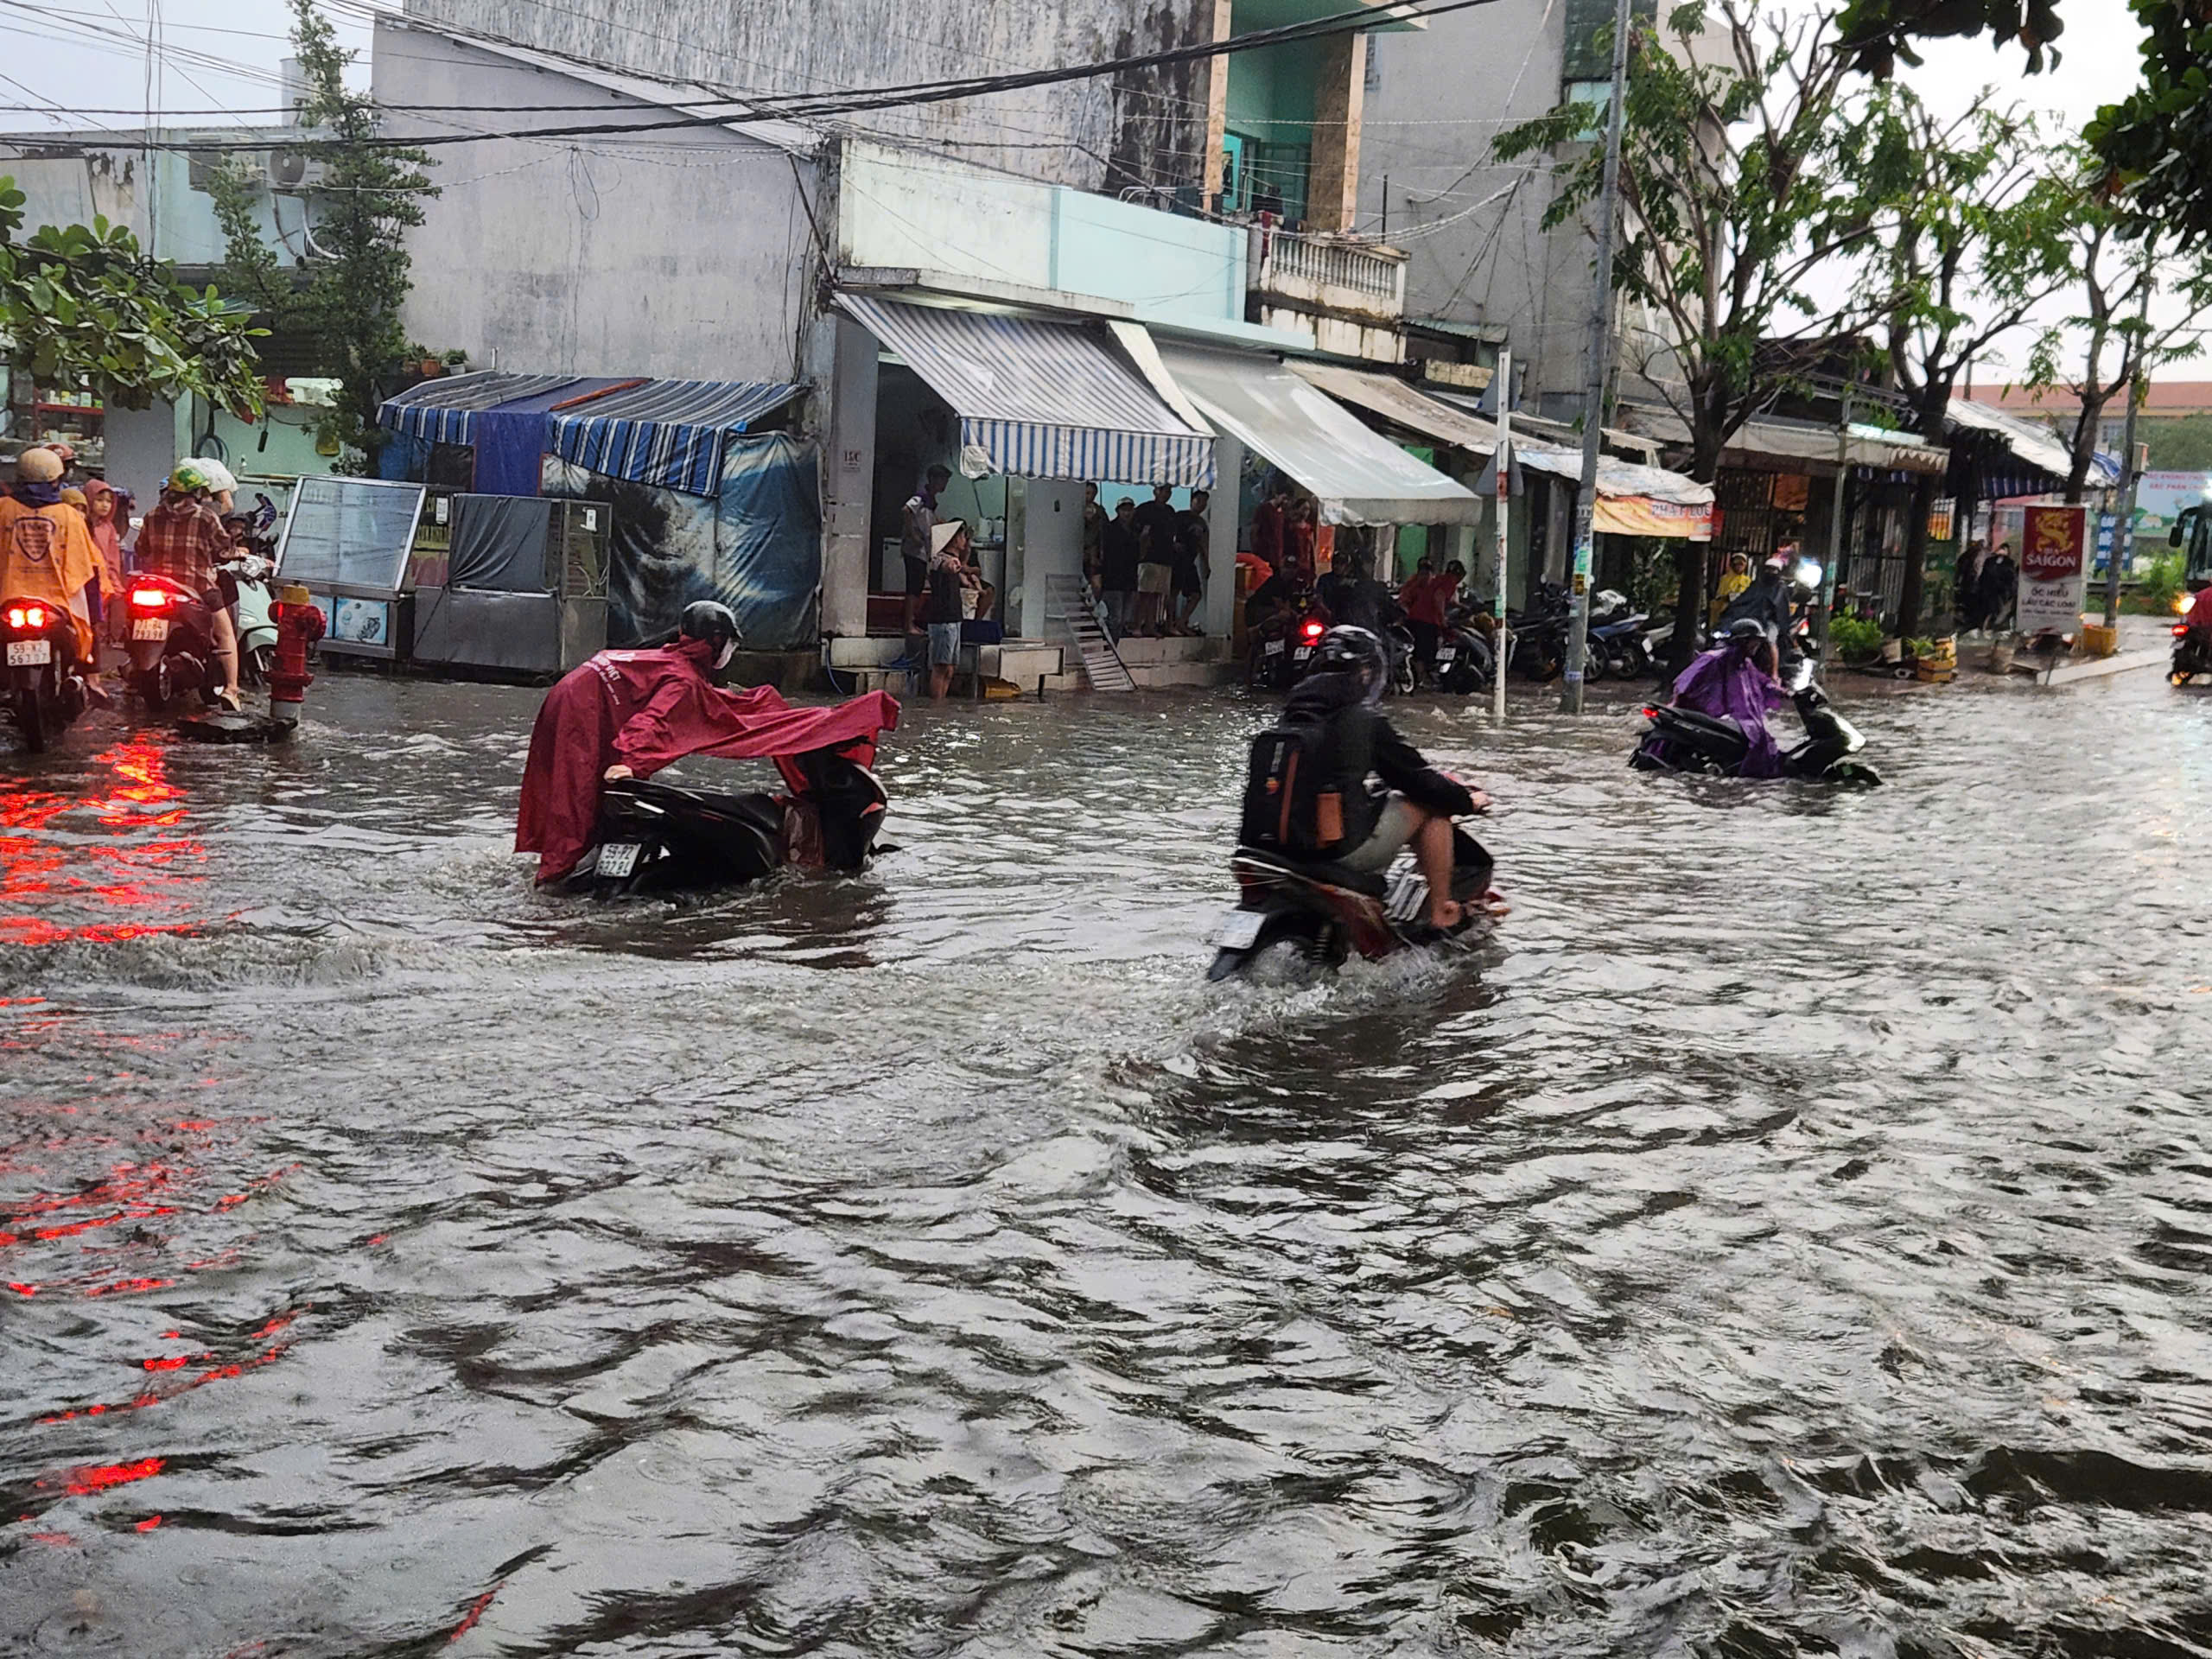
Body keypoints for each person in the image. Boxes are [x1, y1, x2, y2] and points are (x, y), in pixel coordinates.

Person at [1272, 626, 1488, 930]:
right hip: (1335, 848)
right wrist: (1466, 800)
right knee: (1431, 808)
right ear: (1366, 672)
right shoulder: (1362, 718)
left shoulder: (1293, 714)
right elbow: (1417, 780)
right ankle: (1442, 912)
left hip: (1279, 846)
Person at [517, 601, 745, 883]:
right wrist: (631, 763)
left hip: (567, 692)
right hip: (583, 707)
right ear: (717, 641)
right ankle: (554, 879)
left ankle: (567, 858)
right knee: (576, 795)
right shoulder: (684, 678)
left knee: (563, 785)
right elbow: (655, 720)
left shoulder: (666, 658)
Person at [135, 459, 242, 709]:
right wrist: (239, 551)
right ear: (197, 493)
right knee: (226, 634)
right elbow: (224, 549)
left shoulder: (152, 516)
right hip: (199, 588)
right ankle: (232, 690)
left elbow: (141, 549)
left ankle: (132, 670)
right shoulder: (206, 517)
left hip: (158, 586)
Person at [0, 446, 105, 674]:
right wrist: (95, 616)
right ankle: (87, 678)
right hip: (58, 603)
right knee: (82, 649)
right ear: (56, 480)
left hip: (7, 600)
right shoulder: (69, 516)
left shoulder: (3, 509)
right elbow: (86, 566)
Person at [1671, 618, 1789, 777]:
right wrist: (1678, 702)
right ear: (1742, 641)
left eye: (1758, 642)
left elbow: (1763, 683)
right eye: (1753, 642)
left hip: (1736, 719)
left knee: (1763, 736)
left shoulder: (1744, 664)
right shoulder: (1715, 658)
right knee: (1755, 736)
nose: (1757, 646)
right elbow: (1685, 682)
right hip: (1716, 716)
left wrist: (1784, 693)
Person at [920, 519, 976, 701]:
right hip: (942, 619)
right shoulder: (939, 559)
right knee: (940, 667)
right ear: (952, 538)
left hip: (954, 618)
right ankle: (935, 706)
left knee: (950, 668)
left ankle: (940, 705)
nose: (964, 540)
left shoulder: (954, 559)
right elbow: (948, 567)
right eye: (961, 536)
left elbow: (960, 566)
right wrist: (955, 565)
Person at [901, 464, 950, 636]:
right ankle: (908, 624)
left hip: (923, 550)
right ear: (935, 480)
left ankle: (912, 622)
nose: (945, 485)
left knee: (918, 586)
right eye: (943, 480)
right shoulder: (921, 497)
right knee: (913, 587)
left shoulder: (931, 501)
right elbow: (906, 510)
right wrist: (913, 534)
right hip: (914, 549)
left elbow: (926, 521)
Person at [1133, 484, 1179, 638]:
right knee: (1145, 593)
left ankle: (1150, 626)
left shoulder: (1170, 511)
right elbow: (1138, 533)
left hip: (1165, 558)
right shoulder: (1145, 509)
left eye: (1169, 492)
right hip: (1149, 557)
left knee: (1157, 594)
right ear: (1155, 491)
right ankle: (1137, 625)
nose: (1167, 494)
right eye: (1164, 491)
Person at [1100, 496, 1141, 639]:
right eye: (1124, 510)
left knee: (1124, 620)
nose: (1127, 513)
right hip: (1113, 580)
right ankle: (1109, 649)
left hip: (1129, 580)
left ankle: (1114, 649)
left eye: (1130, 510)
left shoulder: (1136, 531)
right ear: (1118, 511)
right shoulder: (1110, 529)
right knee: (1114, 619)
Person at [1170, 488, 1211, 636]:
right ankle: (1170, 623)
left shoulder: (1202, 523)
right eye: (1199, 500)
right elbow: (1169, 532)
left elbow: (1203, 544)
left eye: (1204, 502)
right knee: (1173, 592)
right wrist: (1173, 544)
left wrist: (1206, 564)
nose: (1201, 504)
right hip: (1177, 560)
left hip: (1190, 561)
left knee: (1196, 594)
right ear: (1192, 500)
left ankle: (1182, 621)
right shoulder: (1180, 516)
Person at [1400, 556, 1449, 665]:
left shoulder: (1435, 584)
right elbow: (1403, 601)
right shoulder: (1413, 584)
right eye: (1422, 572)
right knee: (1421, 653)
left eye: (1427, 572)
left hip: (1429, 622)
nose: (1425, 576)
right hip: (1419, 623)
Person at [1979, 540, 2018, 632]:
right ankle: (1992, 627)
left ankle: (1993, 627)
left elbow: (2011, 578)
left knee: (1996, 610)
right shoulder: (1994, 561)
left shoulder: (2006, 562)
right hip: (1994, 591)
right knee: (1994, 610)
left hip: (1999, 591)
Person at [1710, 551, 1752, 627]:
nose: (1739, 566)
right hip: (1719, 612)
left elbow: (1744, 596)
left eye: (1741, 564)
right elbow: (1718, 594)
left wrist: (1729, 597)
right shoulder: (1724, 578)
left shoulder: (1747, 581)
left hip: (1735, 613)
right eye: (1737, 563)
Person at [1955, 540, 1986, 632]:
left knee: (1967, 604)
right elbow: (1977, 570)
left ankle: (1965, 623)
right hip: (1974, 584)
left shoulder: (1968, 553)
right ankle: (1968, 624)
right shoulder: (1982, 554)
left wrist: (1958, 580)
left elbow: (1960, 566)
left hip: (1967, 584)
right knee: (1972, 605)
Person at [1080, 481, 1105, 596]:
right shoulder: (1074, 508)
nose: (1089, 497)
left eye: (1093, 494)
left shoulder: (1099, 511)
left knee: (1095, 586)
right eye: (1087, 493)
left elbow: (1104, 530)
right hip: (1079, 553)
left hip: (1093, 556)